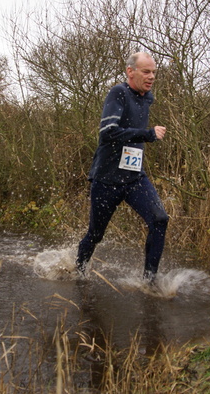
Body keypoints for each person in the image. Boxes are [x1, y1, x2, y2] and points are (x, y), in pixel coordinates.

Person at [75, 52, 169, 283]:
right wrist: (147, 134)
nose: (151, 77)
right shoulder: (118, 93)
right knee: (96, 235)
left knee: (160, 219)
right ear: (130, 71)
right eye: (146, 72)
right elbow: (108, 133)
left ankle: (149, 282)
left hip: (134, 177)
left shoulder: (147, 98)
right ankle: (78, 273)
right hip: (107, 179)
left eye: (154, 72)